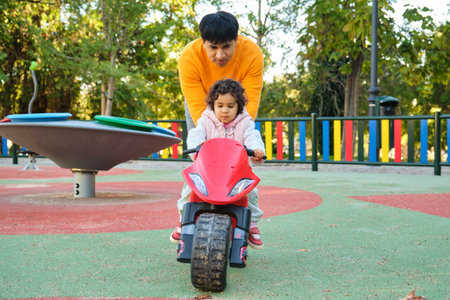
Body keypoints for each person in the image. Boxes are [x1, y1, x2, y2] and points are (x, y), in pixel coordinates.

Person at [171, 79, 266, 249]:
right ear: (213, 105)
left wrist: (257, 150)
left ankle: (251, 223)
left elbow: (252, 137)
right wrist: (197, 145)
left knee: (250, 192)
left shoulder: (245, 123)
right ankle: (184, 218)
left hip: (235, 170)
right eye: (220, 105)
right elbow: (196, 134)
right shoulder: (206, 120)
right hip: (209, 169)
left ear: (239, 106)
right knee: (190, 187)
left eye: (230, 106)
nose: (224, 110)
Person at [178, 11, 264, 132]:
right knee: (200, 140)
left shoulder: (253, 53)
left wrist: (237, 132)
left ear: (236, 40)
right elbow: (198, 109)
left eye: (226, 46)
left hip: (236, 102)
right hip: (203, 101)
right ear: (203, 42)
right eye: (213, 47)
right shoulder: (188, 57)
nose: (220, 55)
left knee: (241, 138)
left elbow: (249, 102)